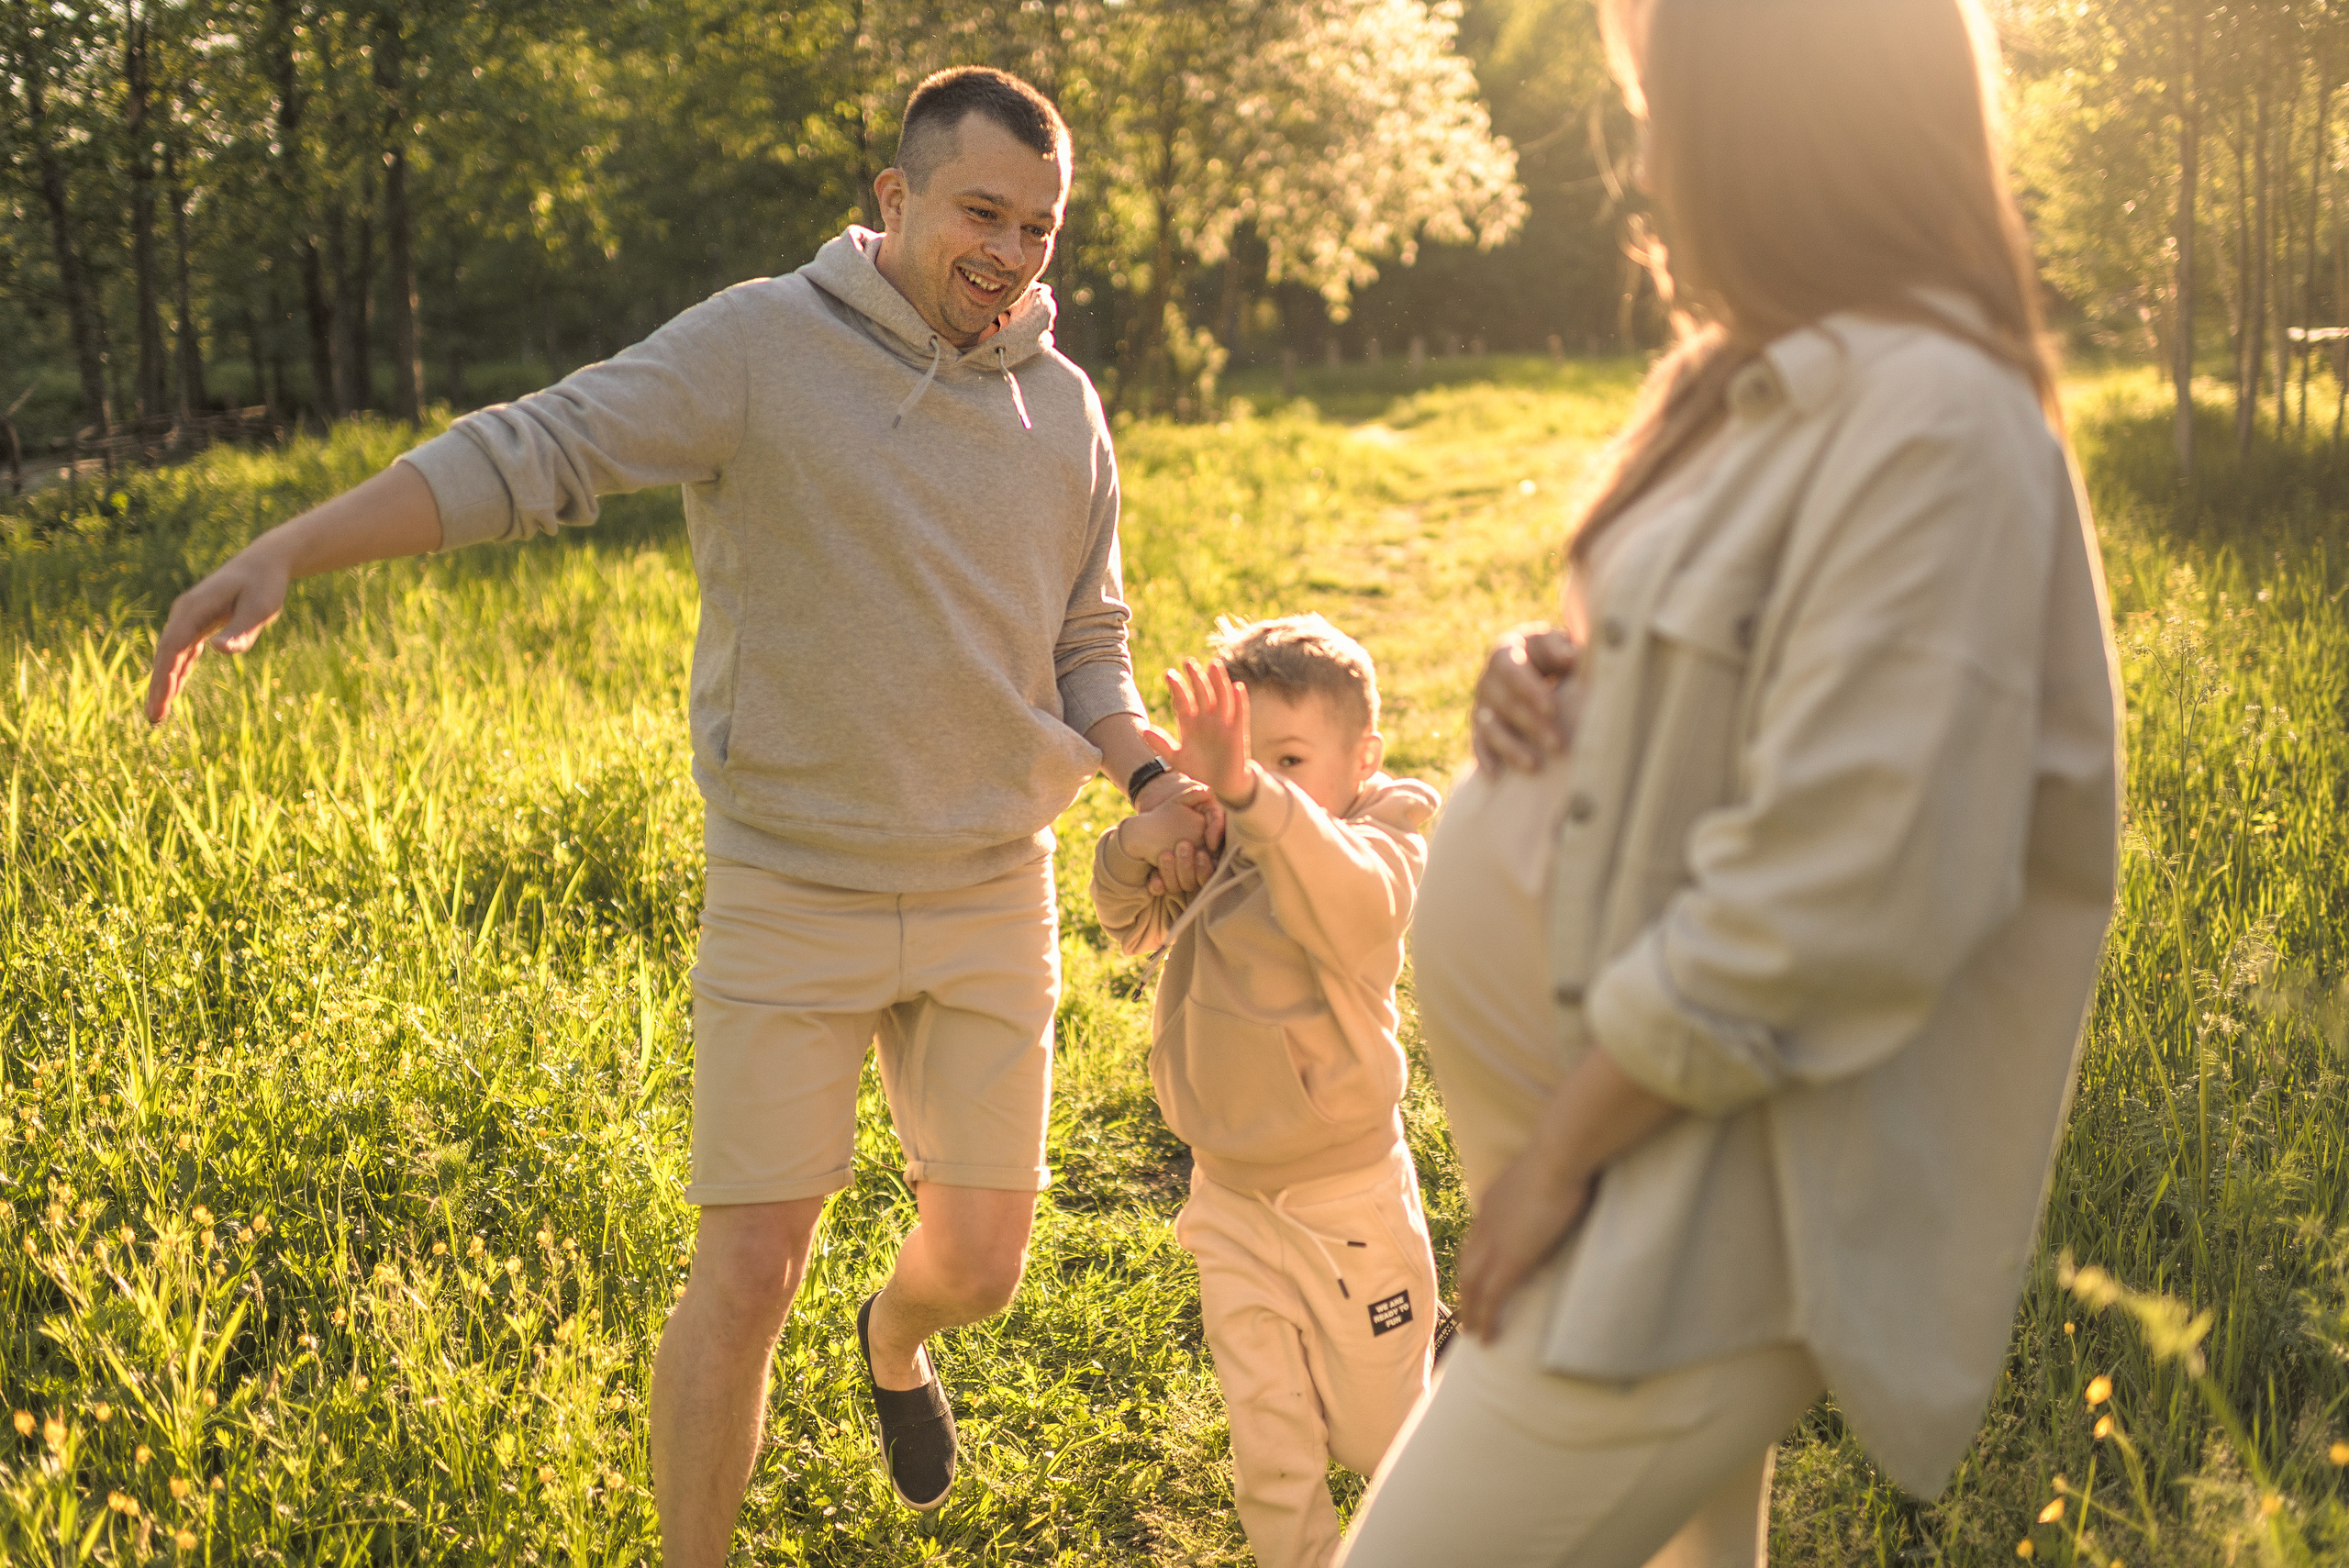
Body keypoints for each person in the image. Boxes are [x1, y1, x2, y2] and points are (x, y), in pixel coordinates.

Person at [141, 65, 1202, 1566]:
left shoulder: (1065, 405)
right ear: (895, 200)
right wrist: (295, 551)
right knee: (749, 1264)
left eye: (1041, 227)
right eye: (984, 213)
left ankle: (894, 1341)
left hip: (988, 881)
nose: (1016, 253)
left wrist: (1150, 774)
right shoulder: (764, 345)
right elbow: (538, 451)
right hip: (791, 883)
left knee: (979, 1260)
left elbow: (1085, 638)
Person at [1336, 0, 2123, 1563]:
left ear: (1780, 135)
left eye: (1659, 113)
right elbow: (1708, 655)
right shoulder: (1749, 374)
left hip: (1691, 1204)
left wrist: (1566, 1148)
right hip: (1600, 1137)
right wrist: (1543, 660)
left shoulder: (1939, 421)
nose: (1645, 164)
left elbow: (1855, 879)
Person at [1091, 616, 1442, 1568]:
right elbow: (1126, 920)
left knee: (1383, 1440)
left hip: (1348, 1203)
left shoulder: (1384, 833)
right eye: (1250, 755)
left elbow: (1358, 898)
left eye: (1293, 757)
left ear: (1361, 756)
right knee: (1270, 1450)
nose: (1269, 779)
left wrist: (1251, 789)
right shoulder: (1229, 837)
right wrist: (1152, 835)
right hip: (1230, 1202)